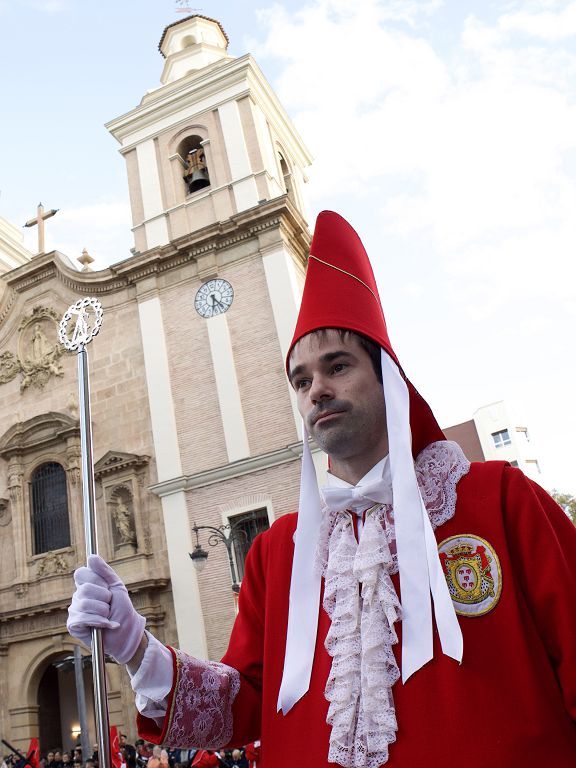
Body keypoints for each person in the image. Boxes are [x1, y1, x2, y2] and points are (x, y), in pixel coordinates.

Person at [68, 211, 576, 766]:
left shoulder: (501, 500)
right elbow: (241, 709)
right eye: (302, 380)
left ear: (389, 379)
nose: (317, 392)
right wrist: (137, 647)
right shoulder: (275, 551)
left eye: (338, 366)